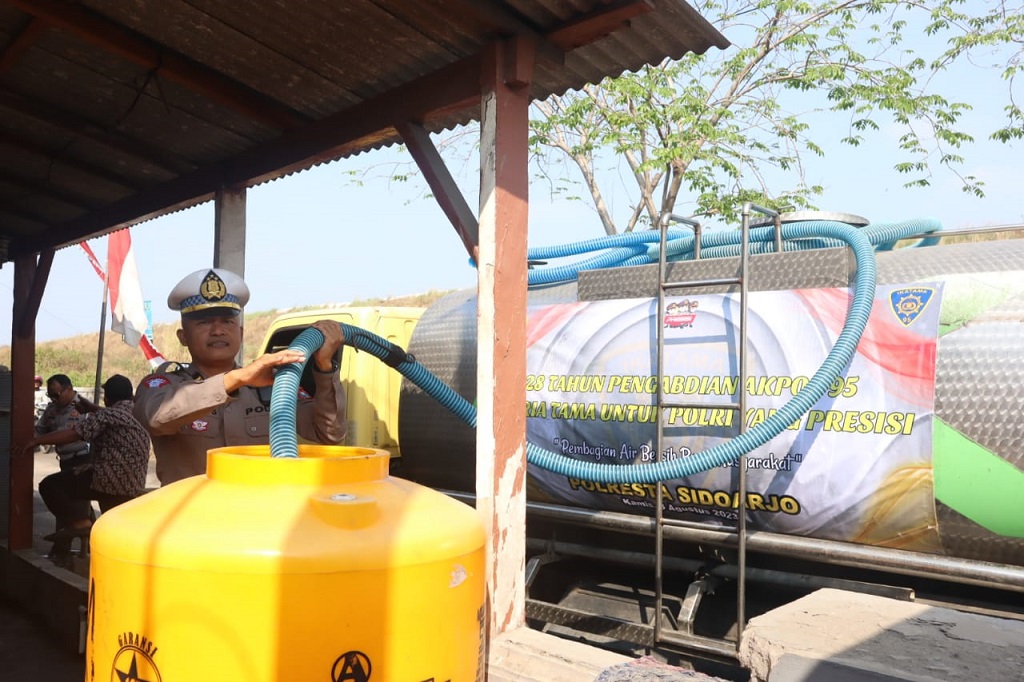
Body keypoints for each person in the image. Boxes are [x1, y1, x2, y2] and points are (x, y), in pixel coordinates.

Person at [133, 268, 347, 485]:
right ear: (183, 337)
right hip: (192, 516)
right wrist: (237, 379)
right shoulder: (163, 385)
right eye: (204, 322)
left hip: (259, 513)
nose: (218, 330)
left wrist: (324, 367)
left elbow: (329, 434)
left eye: (227, 321)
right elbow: (156, 418)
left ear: (241, 333)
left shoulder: (274, 386)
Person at [23, 375, 151, 559]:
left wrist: (35, 441)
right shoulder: (138, 415)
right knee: (112, 529)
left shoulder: (107, 415)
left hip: (108, 478)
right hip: (133, 483)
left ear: (107, 397)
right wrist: (93, 409)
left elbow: (74, 434)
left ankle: (81, 525)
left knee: (50, 486)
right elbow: (113, 417)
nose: (53, 399)